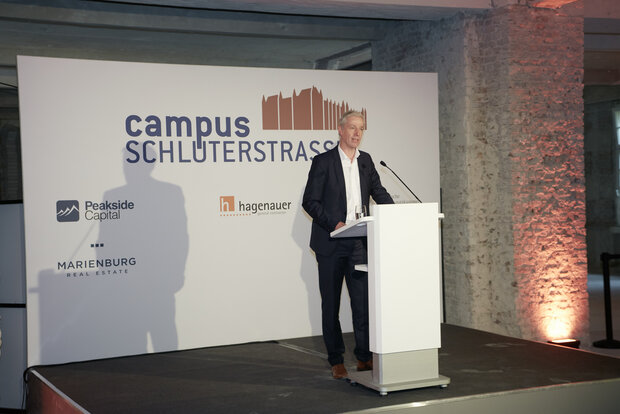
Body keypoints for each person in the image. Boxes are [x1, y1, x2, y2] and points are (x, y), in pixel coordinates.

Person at [302, 110, 394, 379]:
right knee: (330, 304)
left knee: (362, 304)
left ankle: (364, 357)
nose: (357, 133)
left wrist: (396, 214)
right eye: (352, 127)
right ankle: (336, 359)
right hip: (331, 243)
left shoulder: (366, 161)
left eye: (361, 128)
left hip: (358, 244)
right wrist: (334, 224)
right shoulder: (323, 162)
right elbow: (310, 201)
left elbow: (378, 191)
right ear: (340, 130)